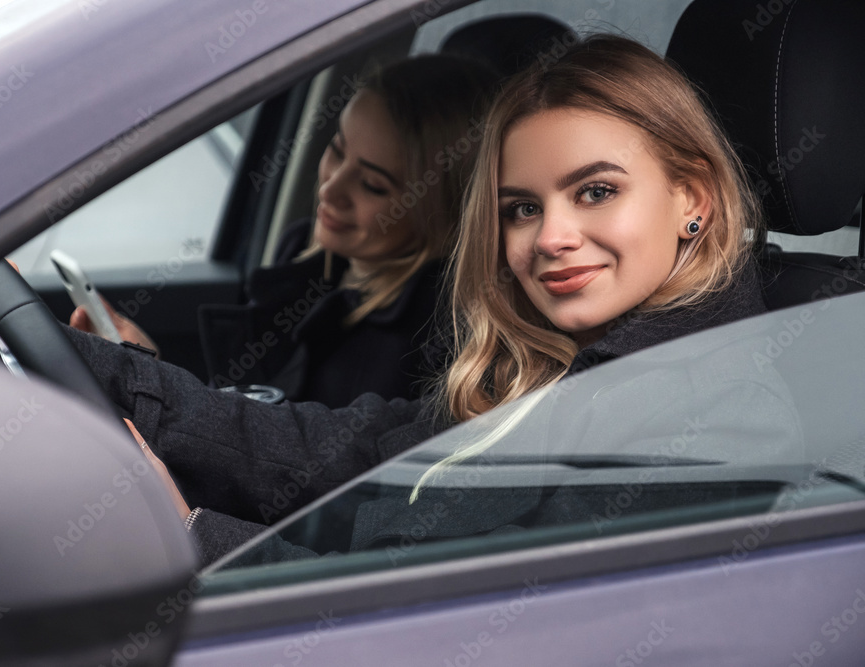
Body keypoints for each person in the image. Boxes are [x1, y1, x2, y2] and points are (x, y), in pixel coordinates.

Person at [65, 35, 801, 568]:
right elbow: (338, 452)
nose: (551, 237)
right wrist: (110, 374)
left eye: (596, 191)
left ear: (692, 200)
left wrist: (188, 534)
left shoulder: (719, 418)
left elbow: (444, 616)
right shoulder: (550, 366)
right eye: (520, 208)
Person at [72, 55, 500, 408]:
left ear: (443, 210)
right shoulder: (306, 257)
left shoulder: (438, 334)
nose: (331, 189)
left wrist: (160, 391)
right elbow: (245, 414)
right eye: (336, 150)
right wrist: (153, 371)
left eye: (373, 185)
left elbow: (287, 456)